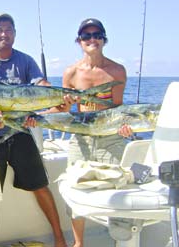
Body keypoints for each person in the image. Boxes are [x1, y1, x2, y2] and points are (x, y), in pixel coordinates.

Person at [0, 13, 67, 247]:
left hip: (21, 131)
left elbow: (40, 85)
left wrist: (57, 96)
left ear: (14, 34)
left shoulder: (25, 61)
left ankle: (60, 238)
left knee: (40, 186)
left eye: (9, 29)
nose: (4, 34)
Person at [48, 18, 132, 247]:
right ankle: (78, 243)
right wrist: (40, 115)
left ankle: (121, 239)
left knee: (119, 185)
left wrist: (125, 127)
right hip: (82, 135)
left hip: (111, 136)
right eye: (86, 36)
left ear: (104, 40)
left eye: (97, 35)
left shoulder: (117, 71)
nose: (92, 39)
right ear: (79, 41)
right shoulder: (71, 73)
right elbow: (62, 109)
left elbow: (118, 107)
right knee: (74, 189)